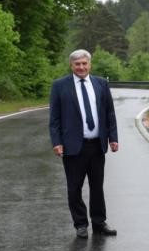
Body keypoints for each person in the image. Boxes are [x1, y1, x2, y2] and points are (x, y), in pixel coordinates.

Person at [49, 49, 119, 239]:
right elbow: (54, 118)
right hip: (73, 147)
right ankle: (80, 224)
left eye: (84, 63)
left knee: (97, 186)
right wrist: (56, 142)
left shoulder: (101, 84)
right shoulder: (59, 86)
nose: (81, 67)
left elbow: (109, 113)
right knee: (74, 187)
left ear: (90, 64)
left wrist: (113, 138)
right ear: (71, 65)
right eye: (77, 64)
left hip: (97, 145)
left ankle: (99, 223)